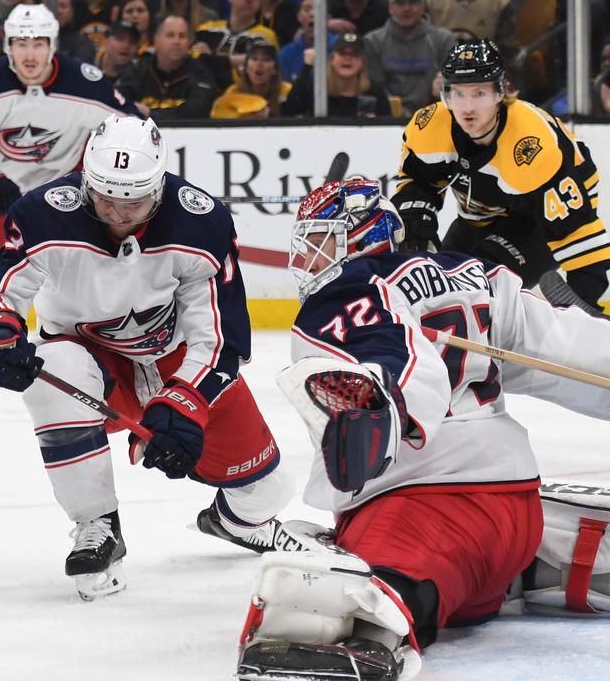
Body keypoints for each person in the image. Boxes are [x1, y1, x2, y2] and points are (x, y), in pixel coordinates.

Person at [236, 177, 610, 679]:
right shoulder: (473, 272)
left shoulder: (348, 291)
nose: (308, 258)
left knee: (317, 609)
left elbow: (399, 359)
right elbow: (564, 345)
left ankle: (376, 625)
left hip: (430, 513)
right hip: (514, 509)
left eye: (321, 240)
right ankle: (537, 566)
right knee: (466, 565)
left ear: (359, 237)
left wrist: (383, 408)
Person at [0, 115, 293, 600]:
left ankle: (235, 521)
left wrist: (185, 403)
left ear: (157, 188)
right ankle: (98, 525)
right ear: (87, 180)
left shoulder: (203, 222)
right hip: (91, 361)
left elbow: (220, 341)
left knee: (268, 492)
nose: (118, 214)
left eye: (133, 201)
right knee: (54, 371)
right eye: (106, 198)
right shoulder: (43, 213)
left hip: (175, 360)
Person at [0, 4, 139, 377]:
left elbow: (132, 129)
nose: (30, 53)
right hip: (3, 188)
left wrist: (104, 179)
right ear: (8, 45)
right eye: (21, 43)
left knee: (87, 267)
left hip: (65, 189)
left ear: (53, 45)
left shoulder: (85, 84)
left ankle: (98, 339)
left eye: (39, 43)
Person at [392, 40, 610, 312]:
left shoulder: (530, 145)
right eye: (459, 94)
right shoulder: (429, 126)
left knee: (479, 279)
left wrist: (586, 300)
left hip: (537, 217)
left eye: (480, 93)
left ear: (500, 92)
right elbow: (418, 182)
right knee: (438, 280)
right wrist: (417, 229)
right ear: (446, 95)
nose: (468, 107)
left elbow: (577, 229)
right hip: (480, 212)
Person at [363, 0, 454, 114]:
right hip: (386, 118)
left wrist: (445, 86)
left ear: (423, 7)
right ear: (390, 7)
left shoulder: (443, 39)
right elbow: (376, 88)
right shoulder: (372, 41)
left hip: (435, 114)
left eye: (413, 2)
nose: (407, 8)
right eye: (400, 3)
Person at [117, 14, 217, 121]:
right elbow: (120, 104)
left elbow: (197, 111)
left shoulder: (201, 74)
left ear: (189, 43)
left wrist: (150, 113)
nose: (176, 41)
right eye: (170, 35)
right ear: (156, 40)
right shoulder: (137, 71)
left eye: (182, 36)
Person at [284, 32, 392, 118]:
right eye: (342, 53)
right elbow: (290, 110)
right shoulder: (318, 90)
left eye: (354, 54)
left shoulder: (374, 93)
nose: (348, 58)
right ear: (332, 59)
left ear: (363, 62)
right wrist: (307, 67)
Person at [211, 38, 289, 119]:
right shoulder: (234, 92)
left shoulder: (286, 91)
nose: (259, 64)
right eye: (254, 59)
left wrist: (269, 118)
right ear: (246, 68)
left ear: (274, 69)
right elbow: (219, 117)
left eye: (266, 59)